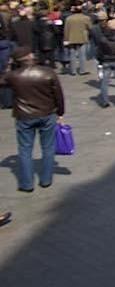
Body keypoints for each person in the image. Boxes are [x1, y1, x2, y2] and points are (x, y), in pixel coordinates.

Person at [2, 47, 65, 192]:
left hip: (24, 116)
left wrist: (9, 66)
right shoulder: (47, 72)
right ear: (31, 56)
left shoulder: (13, 76)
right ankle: (46, 180)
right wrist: (60, 112)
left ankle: (27, 184)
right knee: (48, 147)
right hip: (47, 113)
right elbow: (58, 94)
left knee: (25, 150)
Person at [62, 5, 92, 76]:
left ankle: (73, 71)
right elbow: (90, 27)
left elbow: (66, 30)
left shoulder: (69, 19)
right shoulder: (86, 18)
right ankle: (82, 70)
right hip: (82, 37)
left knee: (72, 55)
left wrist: (66, 39)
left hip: (71, 38)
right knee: (82, 55)